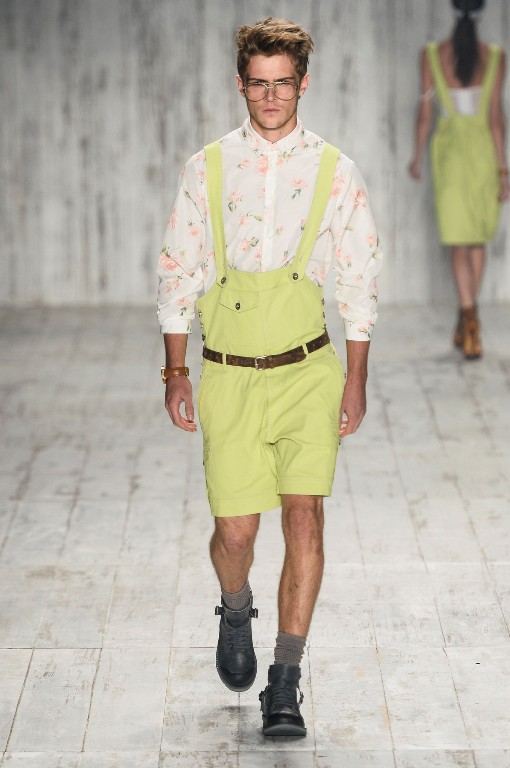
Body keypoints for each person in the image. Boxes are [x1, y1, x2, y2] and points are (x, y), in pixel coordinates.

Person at [157, 17, 383, 737]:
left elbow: (359, 281)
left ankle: (284, 683)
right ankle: (235, 606)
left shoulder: (335, 171)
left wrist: (356, 379)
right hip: (227, 372)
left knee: (304, 515)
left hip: (307, 370)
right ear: (241, 85)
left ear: (302, 84)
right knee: (235, 532)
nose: (271, 96)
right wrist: (175, 370)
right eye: (259, 84)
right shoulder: (207, 167)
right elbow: (178, 269)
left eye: (283, 83)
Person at [409, 0, 509, 360]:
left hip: (450, 156)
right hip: (483, 153)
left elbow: (425, 112)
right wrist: (503, 169)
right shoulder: (495, 57)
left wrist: (417, 156)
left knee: (459, 241)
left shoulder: (432, 55)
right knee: (476, 238)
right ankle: (470, 318)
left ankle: (468, 318)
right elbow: (496, 118)